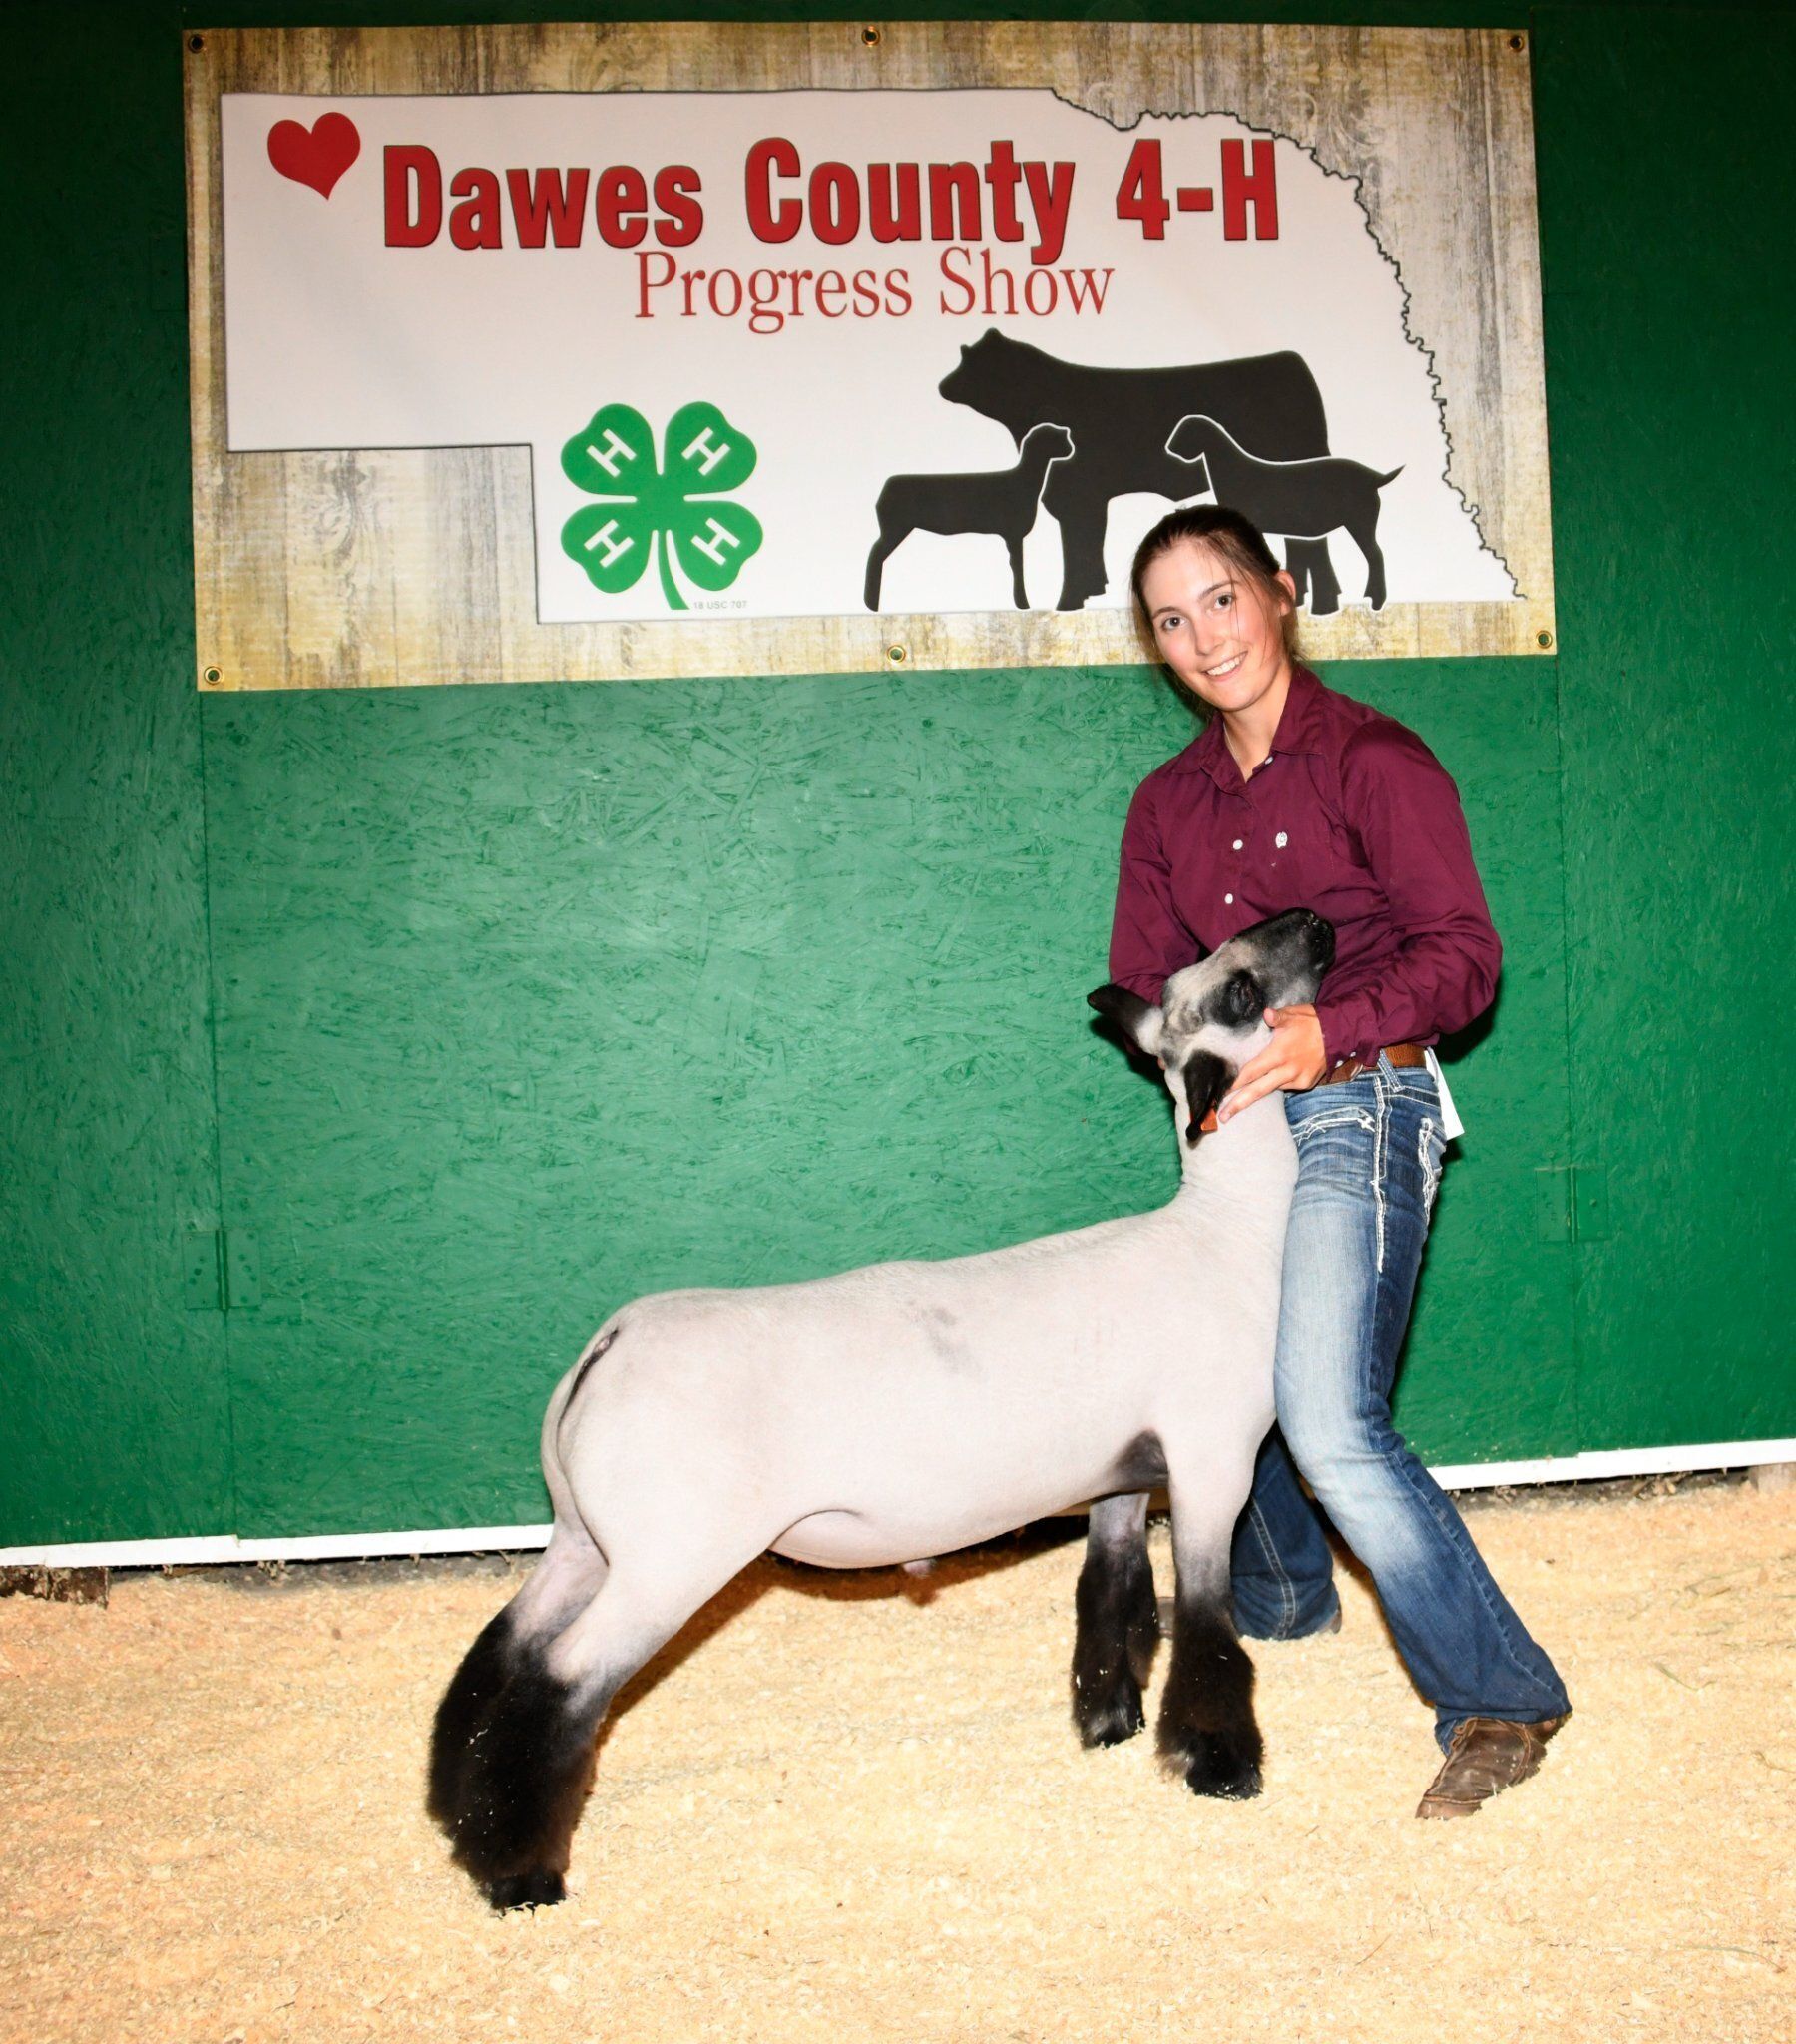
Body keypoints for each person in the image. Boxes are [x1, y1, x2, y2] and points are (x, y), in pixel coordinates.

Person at [1108, 503, 1570, 1819]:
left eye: (1222, 599)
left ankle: (1501, 1697)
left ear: (1281, 593)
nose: (1204, 636)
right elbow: (1148, 977)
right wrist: (1192, 1054)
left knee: (1324, 1416)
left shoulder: (1377, 760)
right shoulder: (1167, 804)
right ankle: (1285, 1600)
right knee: (1220, 1376)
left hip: (1369, 1097)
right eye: (1171, 620)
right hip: (1236, 1126)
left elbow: (1465, 960)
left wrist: (1327, 1031)